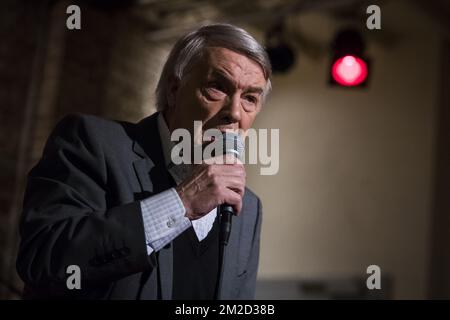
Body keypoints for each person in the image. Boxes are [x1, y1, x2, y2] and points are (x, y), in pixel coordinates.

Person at [16, 23, 272, 300]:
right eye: (217, 87)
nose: (234, 112)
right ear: (174, 90)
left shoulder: (249, 208)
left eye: (249, 98)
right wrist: (182, 203)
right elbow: (43, 259)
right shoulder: (94, 142)